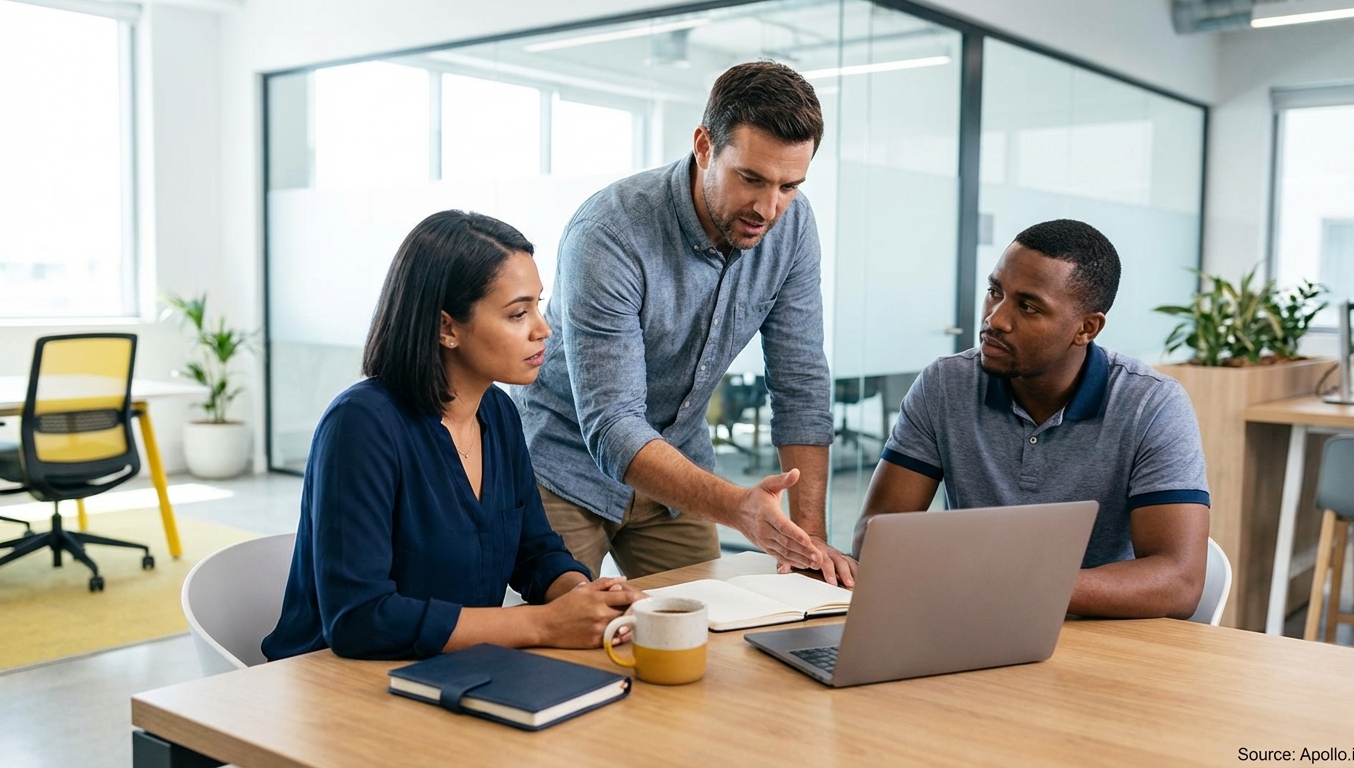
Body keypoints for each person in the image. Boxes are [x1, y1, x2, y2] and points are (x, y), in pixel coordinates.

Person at [513, 61, 856, 586]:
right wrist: (738, 507)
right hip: (565, 470)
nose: (768, 208)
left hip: (680, 467)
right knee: (569, 644)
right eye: (751, 178)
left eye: (789, 185)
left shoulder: (793, 225)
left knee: (714, 637)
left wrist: (807, 544)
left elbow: (801, 381)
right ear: (703, 147)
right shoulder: (610, 232)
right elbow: (612, 425)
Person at [263, 211, 643, 662]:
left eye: (539, 305)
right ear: (446, 328)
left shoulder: (498, 413)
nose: (543, 329)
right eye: (519, 313)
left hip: (451, 670)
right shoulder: (360, 425)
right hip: (336, 686)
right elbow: (359, 620)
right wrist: (542, 624)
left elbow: (535, 552)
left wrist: (588, 599)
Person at [853, 219, 1209, 619]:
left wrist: (1009, 582)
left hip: (1098, 635)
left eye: (1028, 306)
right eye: (995, 292)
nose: (995, 319)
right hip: (970, 624)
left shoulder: (1152, 405)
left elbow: (1179, 582)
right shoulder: (946, 383)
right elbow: (876, 534)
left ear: (1086, 328)